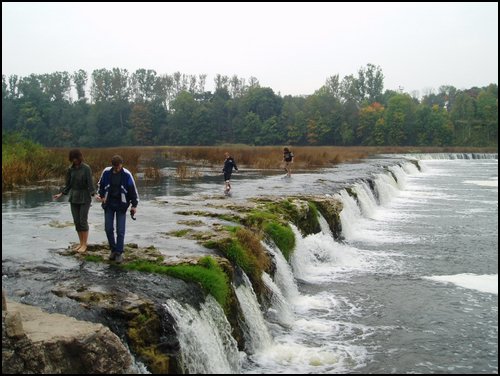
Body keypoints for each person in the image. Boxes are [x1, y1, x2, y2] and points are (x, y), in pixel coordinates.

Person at [53, 149, 97, 254]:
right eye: (73, 159)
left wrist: (95, 194)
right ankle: (80, 243)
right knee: (76, 221)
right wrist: (61, 194)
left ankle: (84, 244)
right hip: (74, 197)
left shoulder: (86, 168)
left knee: (83, 220)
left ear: (79, 158)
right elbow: (68, 184)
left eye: (76, 159)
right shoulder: (70, 169)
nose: (75, 161)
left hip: (85, 197)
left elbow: (90, 184)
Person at [96, 155, 139, 264]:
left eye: (119, 167)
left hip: (122, 206)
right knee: (108, 228)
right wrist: (100, 196)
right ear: (112, 165)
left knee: (120, 230)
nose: (117, 169)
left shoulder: (127, 174)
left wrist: (134, 205)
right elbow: (101, 185)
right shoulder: (106, 172)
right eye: (115, 167)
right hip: (108, 205)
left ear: (121, 164)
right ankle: (113, 249)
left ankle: (119, 253)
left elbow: (133, 190)